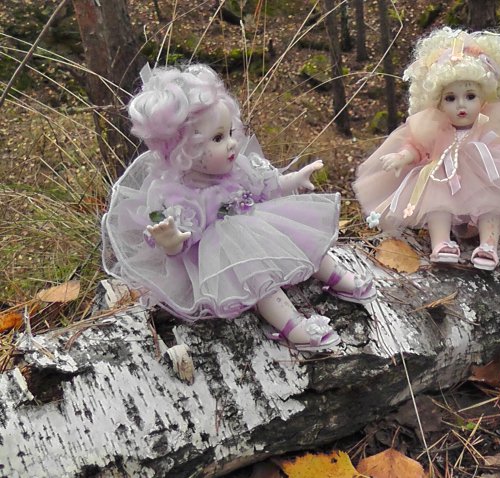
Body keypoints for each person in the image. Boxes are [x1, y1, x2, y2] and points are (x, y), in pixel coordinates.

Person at [102, 64, 375, 352]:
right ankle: (291, 325)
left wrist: (292, 179)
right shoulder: (178, 194)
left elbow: (265, 185)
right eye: (218, 138)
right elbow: (182, 237)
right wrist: (172, 242)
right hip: (223, 252)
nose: (232, 143)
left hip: (259, 224)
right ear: (185, 151)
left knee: (299, 238)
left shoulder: (239, 167)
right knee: (258, 280)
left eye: (230, 132)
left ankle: (336, 276)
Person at [354, 27, 500, 270]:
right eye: (450, 98)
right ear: (438, 102)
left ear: (484, 97)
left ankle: (488, 245)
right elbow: (418, 146)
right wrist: (402, 156)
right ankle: (441, 243)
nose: (461, 105)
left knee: (492, 203)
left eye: (470, 96)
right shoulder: (434, 125)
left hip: (485, 176)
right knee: (437, 203)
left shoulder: (492, 121)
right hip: (443, 177)